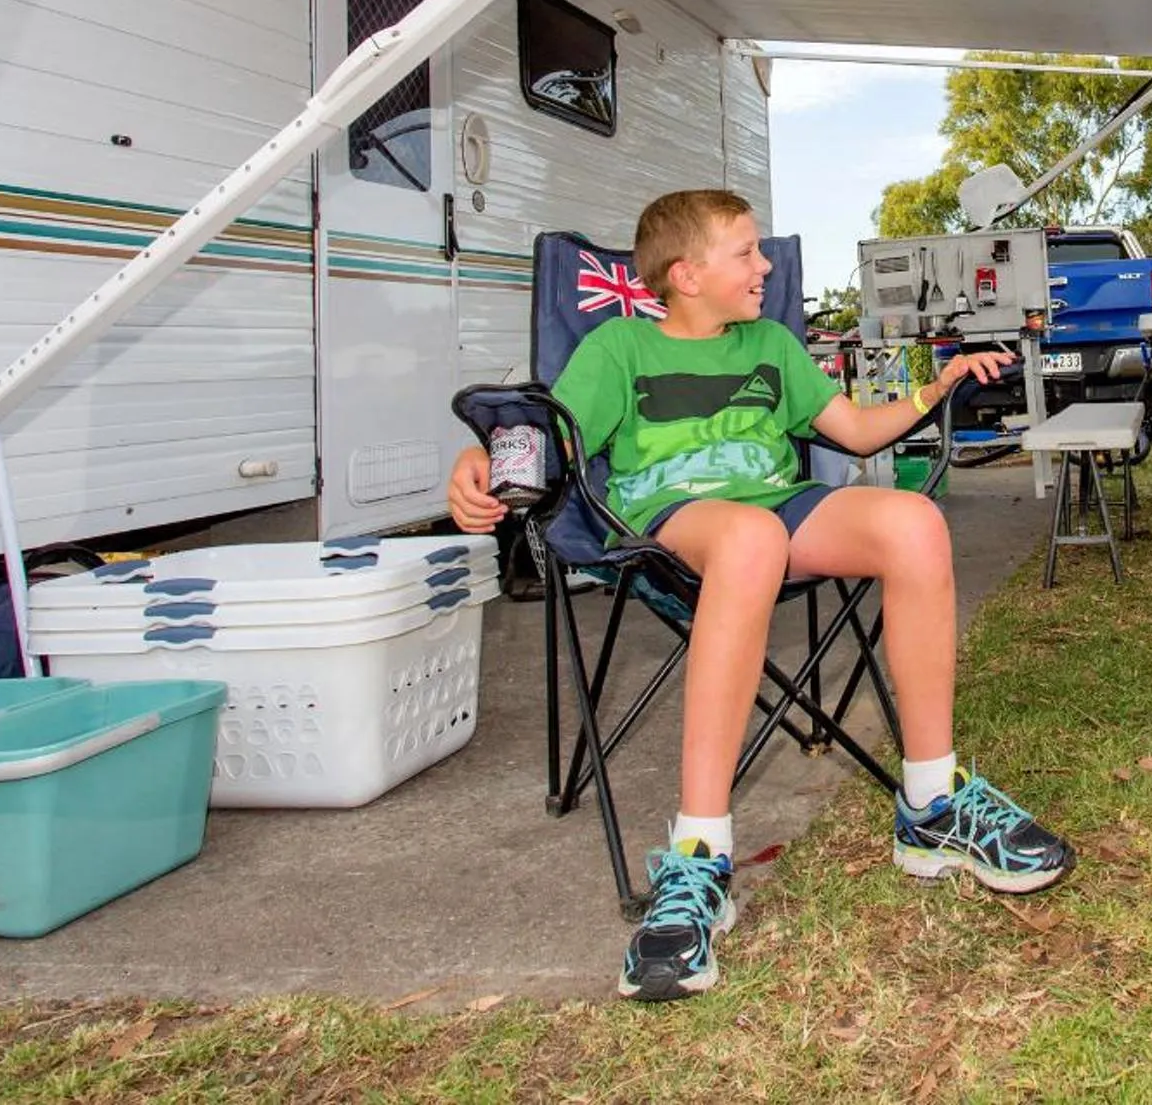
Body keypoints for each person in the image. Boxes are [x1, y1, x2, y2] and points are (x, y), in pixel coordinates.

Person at [447, 189, 1074, 1002]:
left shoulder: (773, 343)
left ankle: (931, 803)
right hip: (677, 520)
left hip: (778, 506)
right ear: (686, 273)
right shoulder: (619, 349)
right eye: (745, 253)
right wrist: (478, 465)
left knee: (913, 522)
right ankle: (699, 856)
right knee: (750, 538)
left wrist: (939, 384)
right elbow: (552, 442)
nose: (765, 267)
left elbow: (852, 431)